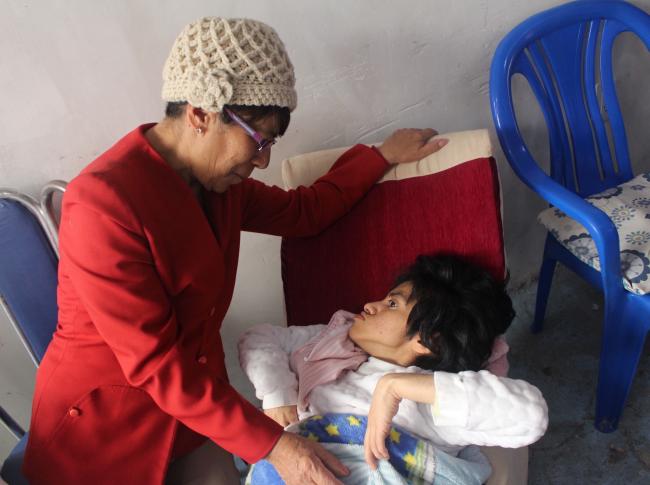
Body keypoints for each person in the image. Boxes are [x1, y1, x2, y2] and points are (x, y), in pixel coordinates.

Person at [22, 17, 449, 485]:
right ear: (201, 113)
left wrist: (380, 156)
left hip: (196, 408)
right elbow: (156, 365)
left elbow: (305, 212)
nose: (263, 159)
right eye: (259, 140)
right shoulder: (102, 205)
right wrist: (275, 444)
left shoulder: (221, 187)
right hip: (105, 429)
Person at [238, 254, 549, 484]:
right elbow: (259, 337)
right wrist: (278, 396)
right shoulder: (330, 338)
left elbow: (531, 414)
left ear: (427, 340)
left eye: (392, 305)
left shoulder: (433, 400)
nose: (371, 305)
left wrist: (394, 387)